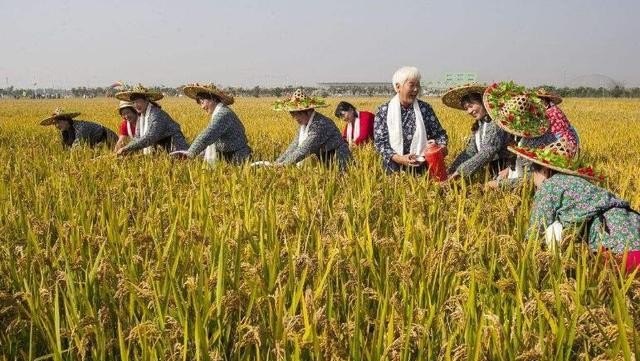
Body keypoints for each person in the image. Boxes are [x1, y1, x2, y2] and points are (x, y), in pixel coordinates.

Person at [511, 144, 640, 273]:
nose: (533, 180)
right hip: (633, 223)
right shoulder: (579, 182)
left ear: (544, 170)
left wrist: (521, 256)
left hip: (615, 243)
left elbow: (535, 231)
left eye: (533, 172)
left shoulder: (549, 186)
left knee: (606, 284)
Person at [486, 83, 580, 188]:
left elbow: (533, 177)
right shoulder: (534, 128)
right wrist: (509, 170)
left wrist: (499, 184)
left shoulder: (541, 134)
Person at [373, 66, 448, 174]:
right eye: (412, 85)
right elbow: (381, 143)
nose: (416, 89)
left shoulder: (425, 109)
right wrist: (399, 158)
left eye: (418, 85)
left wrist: (442, 146)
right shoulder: (384, 110)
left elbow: (439, 134)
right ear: (398, 87)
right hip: (394, 169)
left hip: (423, 167)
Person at [443, 84, 514, 180]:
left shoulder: (495, 123)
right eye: (466, 108)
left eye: (471, 106)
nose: (469, 111)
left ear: (483, 102)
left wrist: (460, 171)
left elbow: (488, 151)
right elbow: (470, 151)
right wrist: (452, 169)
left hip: (505, 170)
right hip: (491, 170)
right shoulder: (480, 124)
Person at [272, 88, 352, 170]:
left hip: (339, 159)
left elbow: (304, 149)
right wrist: (277, 162)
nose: (295, 118)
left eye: (298, 114)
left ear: (308, 111)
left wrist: (284, 165)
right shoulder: (304, 125)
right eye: (293, 115)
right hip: (325, 159)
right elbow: (294, 145)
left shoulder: (319, 124)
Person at [176, 83, 252, 165]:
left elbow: (208, 135)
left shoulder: (223, 114)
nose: (202, 107)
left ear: (212, 98)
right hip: (228, 157)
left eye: (202, 102)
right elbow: (213, 141)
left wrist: (190, 154)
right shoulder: (220, 112)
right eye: (200, 104)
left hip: (239, 158)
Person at [114, 84, 189, 156]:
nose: (136, 105)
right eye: (133, 102)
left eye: (138, 101)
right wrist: (125, 149)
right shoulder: (141, 117)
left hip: (177, 149)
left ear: (146, 100)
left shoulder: (156, 114)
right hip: (162, 151)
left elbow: (150, 137)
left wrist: (127, 148)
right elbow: (137, 137)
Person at [40, 107, 117, 149]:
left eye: (58, 122)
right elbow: (66, 146)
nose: (56, 126)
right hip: (95, 142)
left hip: (108, 137)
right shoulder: (65, 131)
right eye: (54, 124)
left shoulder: (80, 128)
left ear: (66, 120)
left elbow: (77, 149)